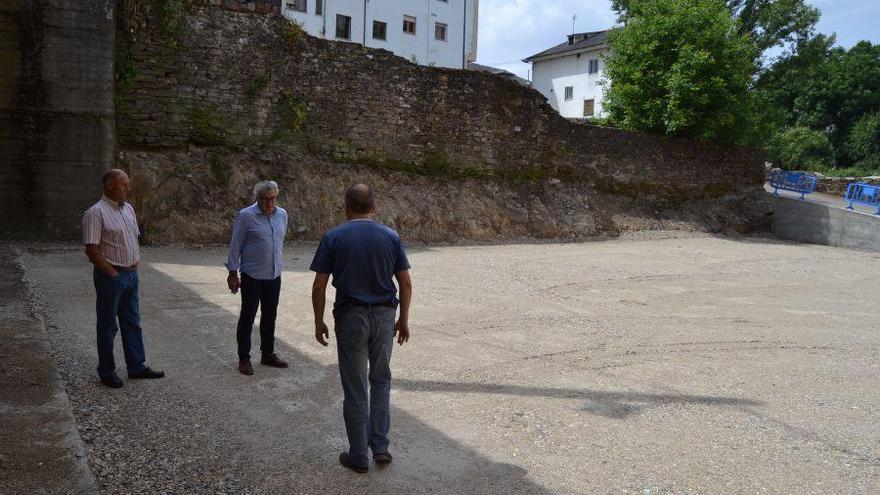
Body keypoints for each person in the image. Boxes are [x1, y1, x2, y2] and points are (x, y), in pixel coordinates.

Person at [310, 183, 413, 473]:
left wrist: (319, 320)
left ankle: (358, 456)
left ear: (346, 205)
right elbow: (405, 282)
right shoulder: (390, 236)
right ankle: (380, 447)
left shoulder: (333, 237)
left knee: (356, 388)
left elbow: (319, 284)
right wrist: (403, 319)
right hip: (383, 316)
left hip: (351, 317)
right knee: (380, 381)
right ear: (373, 206)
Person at [83, 169, 165, 388]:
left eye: (128, 184)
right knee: (108, 325)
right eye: (123, 184)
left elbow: (133, 238)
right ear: (109, 185)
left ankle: (136, 366)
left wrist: (134, 262)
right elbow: (91, 249)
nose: (128, 188)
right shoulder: (95, 213)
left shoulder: (128, 208)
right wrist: (110, 272)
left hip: (131, 274)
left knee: (132, 322)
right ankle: (107, 371)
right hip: (112, 276)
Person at [226, 180, 290, 375]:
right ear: (257, 198)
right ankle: (244, 358)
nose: (269, 203)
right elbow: (235, 244)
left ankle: (267, 353)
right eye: (265, 199)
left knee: (270, 315)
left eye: (273, 199)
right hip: (252, 276)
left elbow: (279, 242)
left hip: (274, 275)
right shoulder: (246, 216)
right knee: (248, 317)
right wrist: (232, 273)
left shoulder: (282, 215)